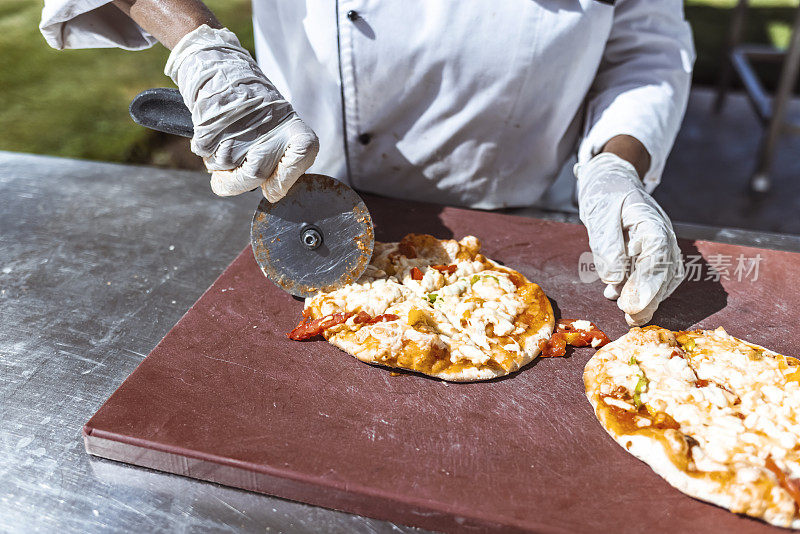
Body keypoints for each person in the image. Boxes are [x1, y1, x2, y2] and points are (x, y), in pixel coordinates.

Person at [40, 0, 694, 326]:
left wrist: (616, 163)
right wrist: (199, 47)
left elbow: (647, 45)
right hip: (305, 198)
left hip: (522, 209)